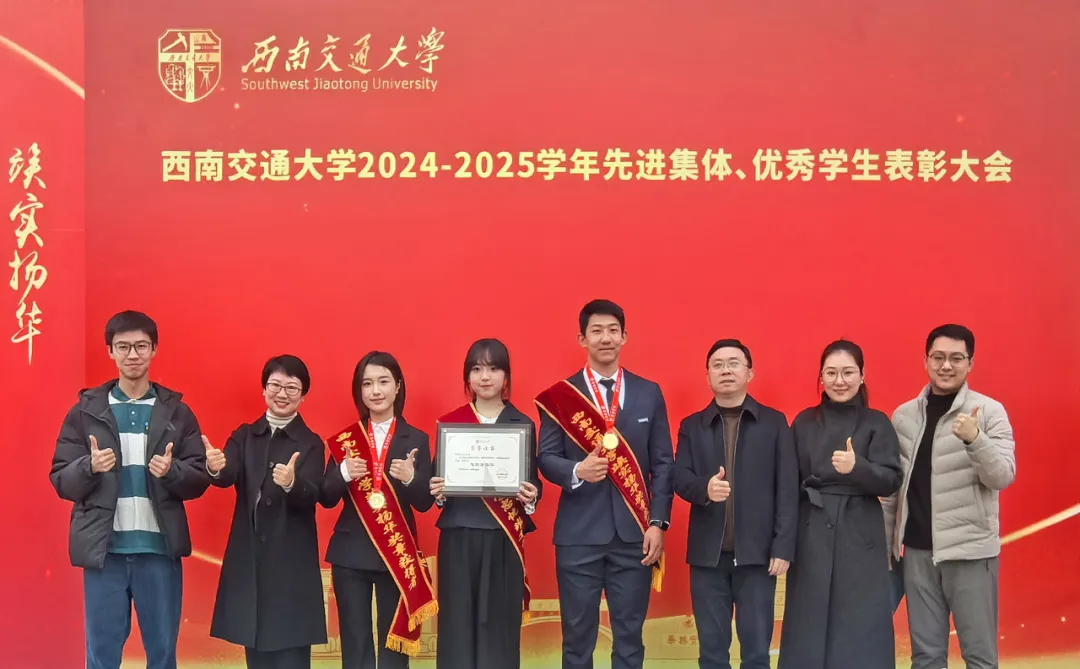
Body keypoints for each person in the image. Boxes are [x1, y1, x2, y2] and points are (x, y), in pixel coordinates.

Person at [49, 310, 211, 669]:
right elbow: (61, 477)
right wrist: (89, 467)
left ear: (154, 350)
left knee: (163, 654)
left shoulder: (177, 413)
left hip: (159, 552)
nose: (132, 354)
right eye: (123, 347)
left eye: (141, 346)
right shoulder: (85, 412)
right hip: (105, 553)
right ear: (110, 351)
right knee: (101, 656)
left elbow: (199, 477)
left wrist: (172, 472)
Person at [535, 299, 675, 669]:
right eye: (596, 331)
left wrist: (658, 523)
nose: (606, 338)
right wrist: (577, 470)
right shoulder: (561, 397)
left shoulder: (649, 393)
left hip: (634, 537)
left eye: (613, 330)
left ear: (625, 336)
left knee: (629, 638)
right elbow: (545, 457)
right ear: (582, 339)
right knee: (577, 640)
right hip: (578, 537)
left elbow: (663, 464)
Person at [882, 324, 1016, 669]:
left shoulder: (989, 412)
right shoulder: (904, 416)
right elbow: (894, 490)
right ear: (926, 360)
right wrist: (887, 546)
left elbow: (1002, 476)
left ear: (970, 363)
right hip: (917, 555)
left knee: (979, 657)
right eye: (938, 357)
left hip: (970, 553)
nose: (946, 365)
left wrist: (975, 439)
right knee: (926, 658)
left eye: (956, 358)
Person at [673, 339, 799, 669]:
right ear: (707, 375)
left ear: (749, 373)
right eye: (717, 365)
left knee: (756, 653)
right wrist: (704, 488)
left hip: (758, 557)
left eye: (733, 363)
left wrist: (783, 546)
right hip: (707, 558)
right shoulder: (692, 426)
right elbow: (679, 477)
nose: (726, 370)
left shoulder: (774, 423)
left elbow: (787, 488)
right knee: (712, 653)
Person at [778, 339, 903, 669]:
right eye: (831, 373)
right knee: (807, 621)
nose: (839, 381)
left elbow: (891, 480)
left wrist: (857, 468)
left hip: (860, 533)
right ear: (821, 377)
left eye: (848, 372)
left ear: (862, 375)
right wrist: (783, 542)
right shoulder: (803, 422)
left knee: (859, 624)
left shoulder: (877, 422)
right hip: (811, 532)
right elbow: (788, 485)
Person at [206, 355, 327, 668]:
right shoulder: (244, 435)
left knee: (292, 656)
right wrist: (215, 467)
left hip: (292, 567)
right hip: (252, 563)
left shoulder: (311, 443)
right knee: (257, 653)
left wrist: (292, 484)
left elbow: (315, 494)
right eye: (275, 385)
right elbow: (228, 474)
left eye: (291, 387)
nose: (282, 394)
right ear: (263, 389)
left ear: (303, 395)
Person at [430, 338, 543, 669]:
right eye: (477, 369)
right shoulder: (451, 423)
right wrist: (437, 491)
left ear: (506, 376)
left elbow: (533, 480)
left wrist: (531, 496)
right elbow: (438, 481)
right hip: (459, 535)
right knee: (457, 623)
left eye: (494, 368)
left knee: (499, 625)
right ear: (467, 376)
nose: (485, 376)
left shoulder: (522, 424)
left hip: (502, 538)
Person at [320, 351, 437, 669]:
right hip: (350, 554)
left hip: (396, 554)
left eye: (383, 382)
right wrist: (343, 472)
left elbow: (424, 503)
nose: (375, 391)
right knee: (355, 643)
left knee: (393, 647)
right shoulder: (347, 440)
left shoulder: (417, 439)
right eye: (367, 383)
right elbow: (326, 497)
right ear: (359, 391)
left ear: (397, 386)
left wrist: (411, 478)